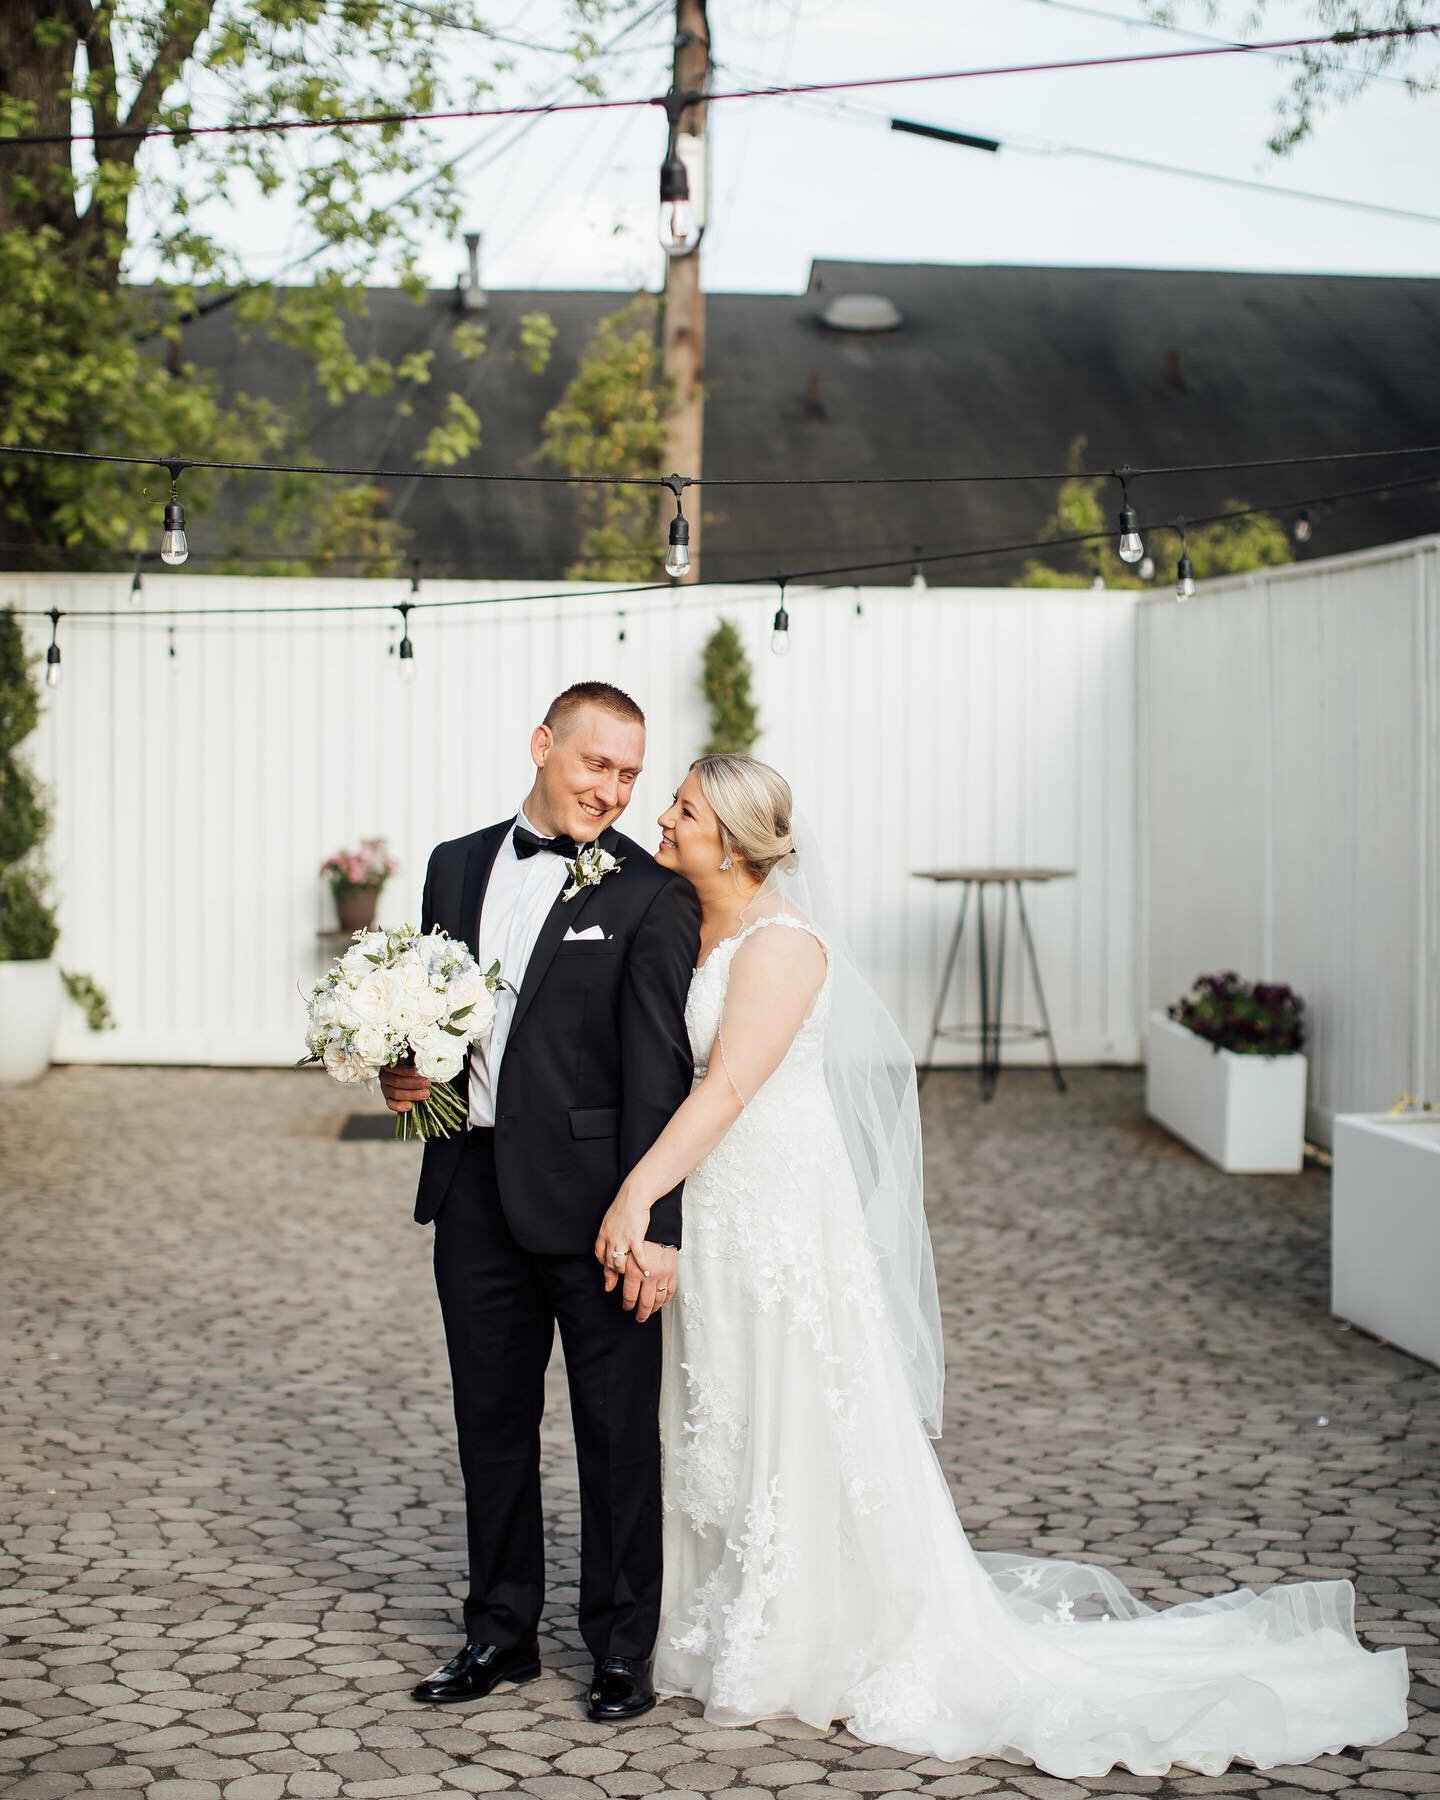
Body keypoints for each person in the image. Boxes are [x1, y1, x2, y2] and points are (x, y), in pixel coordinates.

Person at [590, 752, 1411, 1778]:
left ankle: (803, 1627)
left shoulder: (782, 947)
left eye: (683, 809)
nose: (662, 819)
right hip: (717, 1206)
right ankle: (719, 1611)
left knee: (796, 1398)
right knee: (728, 1402)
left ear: (738, 838)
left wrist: (632, 1194)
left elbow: (724, 1093)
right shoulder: (684, 920)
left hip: (778, 1210)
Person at [380, 682, 699, 1723]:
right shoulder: (454, 864)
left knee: (614, 1438)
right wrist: (401, 1072)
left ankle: (619, 1651)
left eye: (627, 774)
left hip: (600, 1209)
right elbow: (431, 1017)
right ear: (542, 745)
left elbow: (661, 1074)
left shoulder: (652, 894)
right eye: (592, 763)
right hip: (470, 1189)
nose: (608, 788)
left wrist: (656, 1227)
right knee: (492, 1424)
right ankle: (499, 1634)